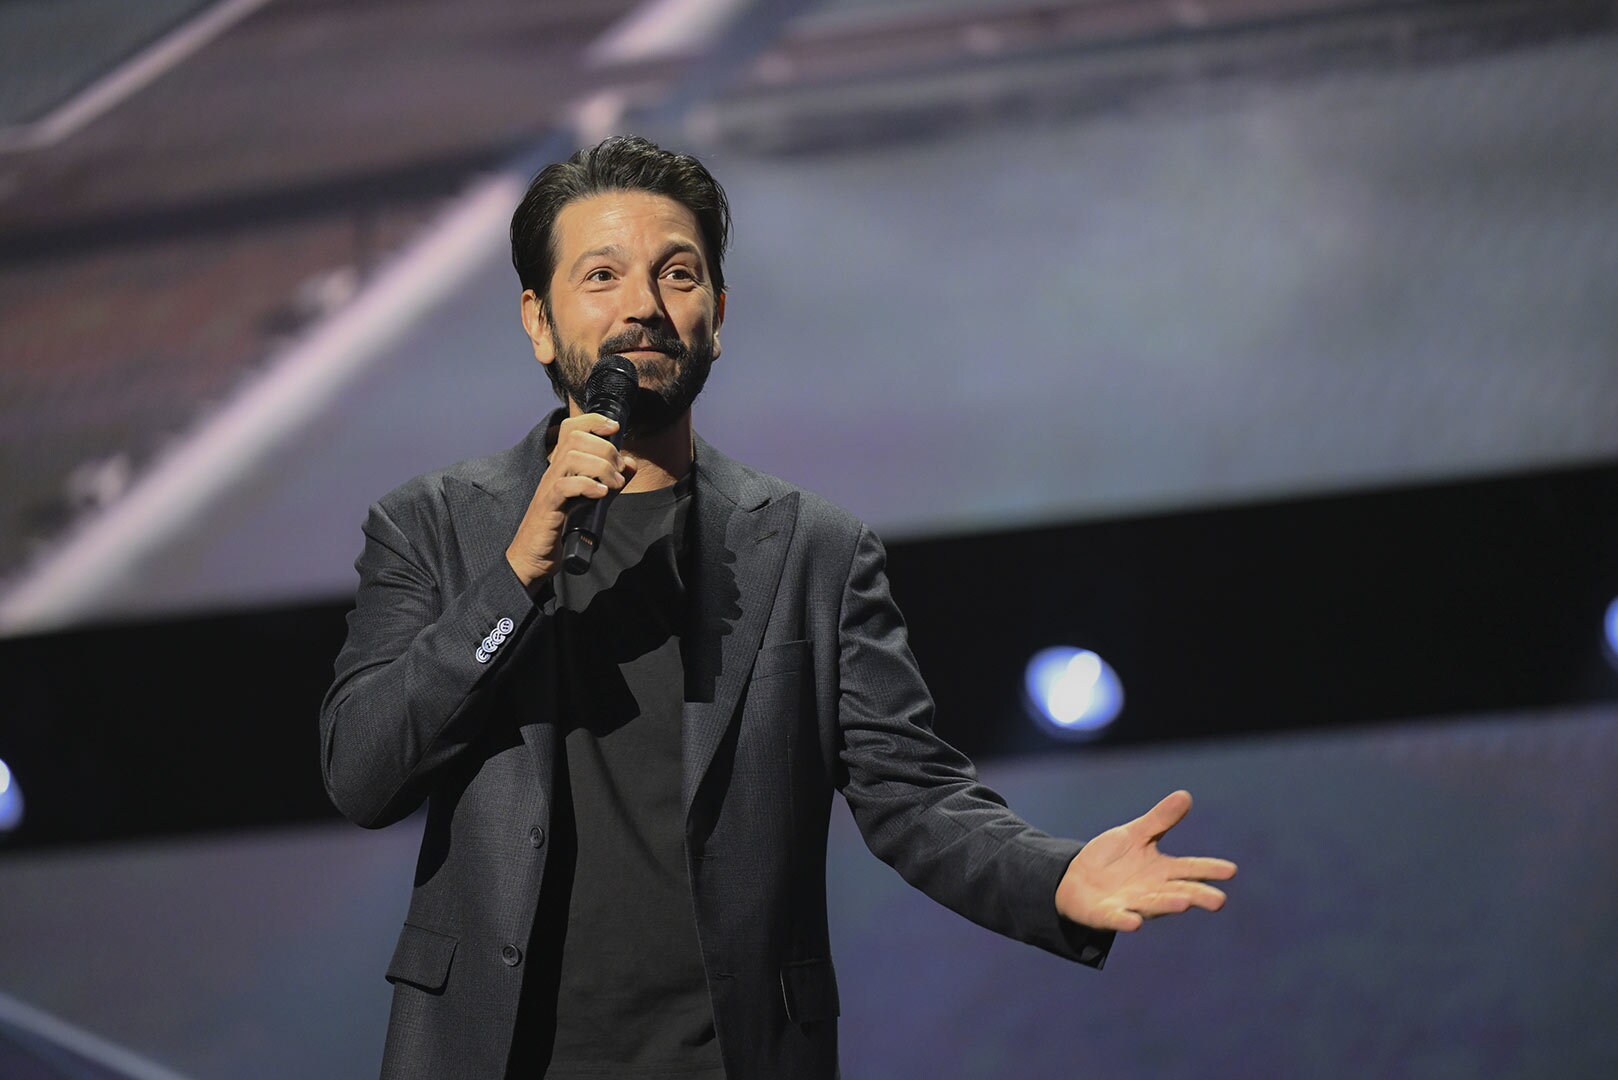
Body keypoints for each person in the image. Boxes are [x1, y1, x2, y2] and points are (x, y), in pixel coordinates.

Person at [320, 135, 1237, 1080]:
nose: (644, 304)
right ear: (540, 322)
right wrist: (516, 572)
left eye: (678, 274)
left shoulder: (813, 550)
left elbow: (912, 795)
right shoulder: (432, 525)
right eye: (602, 275)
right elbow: (362, 772)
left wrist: (1054, 878)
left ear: (716, 314)